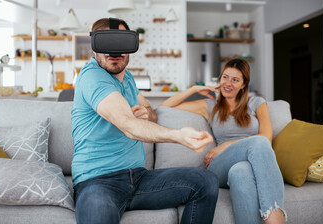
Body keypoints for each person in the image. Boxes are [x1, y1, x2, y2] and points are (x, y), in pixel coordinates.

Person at [71, 17, 219, 224]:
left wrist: (148, 114)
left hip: (139, 179)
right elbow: (128, 126)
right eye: (107, 43)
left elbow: (151, 111)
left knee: (206, 181)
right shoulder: (92, 77)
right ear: (94, 47)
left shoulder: (128, 77)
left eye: (120, 43)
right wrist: (178, 135)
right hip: (98, 181)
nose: (114, 52)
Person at [159, 58, 286, 224]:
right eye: (225, 77)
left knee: (240, 171)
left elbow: (266, 136)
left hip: (244, 162)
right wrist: (194, 89)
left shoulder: (257, 103)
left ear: (243, 85)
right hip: (219, 165)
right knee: (258, 143)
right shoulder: (211, 105)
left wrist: (226, 144)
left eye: (235, 80)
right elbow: (164, 107)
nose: (228, 83)